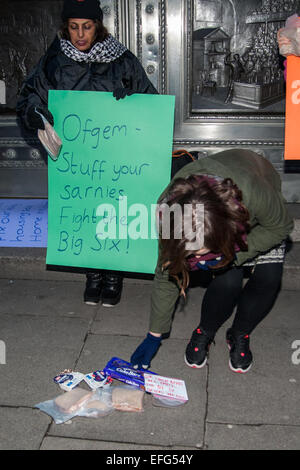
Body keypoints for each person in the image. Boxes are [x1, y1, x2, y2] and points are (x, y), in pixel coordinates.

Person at [16, 0, 158, 307]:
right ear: (65, 28)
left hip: (115, 152)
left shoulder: (121, 59)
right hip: (75, 155)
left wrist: (132, 98)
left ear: (98, 26)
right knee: (87, 213)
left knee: (114, 212)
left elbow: (151, 100)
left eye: (87, 26)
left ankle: (113, 276)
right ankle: (93, 276)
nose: (80, 34)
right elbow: (29, 97)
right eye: (74, 27)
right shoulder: (54, 60)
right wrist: (34, 112)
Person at [130, 149, 294, 374]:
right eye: (191, 253)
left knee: (269, 278)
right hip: (220, 223)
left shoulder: (254, 194)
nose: (195, 260)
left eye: (200, 253)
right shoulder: (170, 214)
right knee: (228, 283)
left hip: (257, 211)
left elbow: (281, 227)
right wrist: (154, 335)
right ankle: (204, 331)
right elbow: (167, 274)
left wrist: (235, 256)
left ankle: (240, 333)